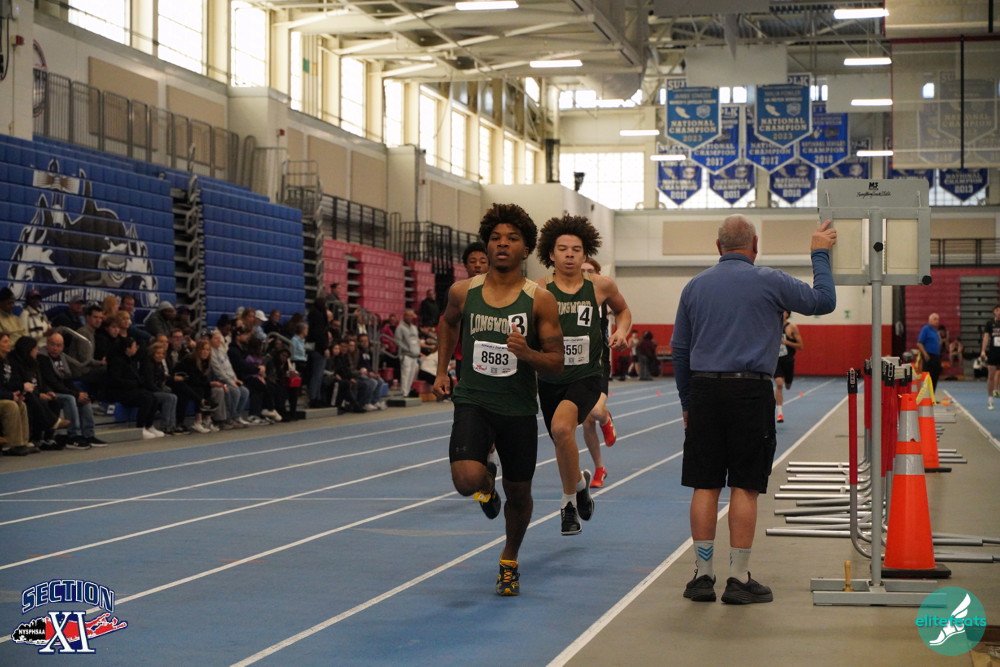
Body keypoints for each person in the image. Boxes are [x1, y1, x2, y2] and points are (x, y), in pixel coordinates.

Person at [671, 214, 836, 605]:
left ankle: (702, 576)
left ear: (718, 246)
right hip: (750, 390)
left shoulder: (695, 286)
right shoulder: (771, 281)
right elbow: (824, 302)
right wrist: (819, 253)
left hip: (705, 390)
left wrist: (687, 402)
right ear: (755, 245)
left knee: (705, 483)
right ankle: (739, 578)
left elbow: (680, 350)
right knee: (745, 484)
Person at [433, 202, 563, 596]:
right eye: (495, 238)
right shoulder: (463, 292)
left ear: (526, 249)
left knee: (520, 494)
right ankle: (486, 483)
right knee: (466, 480)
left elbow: (556, 362)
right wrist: (442, 370)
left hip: (518, 409)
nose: (502, 244)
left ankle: (509, 559)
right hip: (473, 399)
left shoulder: (540, 299)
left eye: (512, 238)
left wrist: (528, 354)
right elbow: (447, 324)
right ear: (486, 246)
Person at [535, 216, 632, 533]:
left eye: (576, 249)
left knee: (562, 429)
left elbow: (623, 310)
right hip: (550, 377)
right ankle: (579, 486)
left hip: (587, 374)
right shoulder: (538, 290)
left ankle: (568, 507)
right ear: (551, 254)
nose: (569, 254)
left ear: (585, 253)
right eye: (562, 249)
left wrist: (621, 331)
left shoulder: (600, 286)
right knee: (562, 441)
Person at [579, 258, 621, 489]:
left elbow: (624, 311)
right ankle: (600, 468)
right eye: (582, 271)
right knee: (586, 423)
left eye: (590, 271)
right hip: (576, 365)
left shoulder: (604, 299)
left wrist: (621, 332)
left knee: (595, 411)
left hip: (599, 362)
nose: (586, 274)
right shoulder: (567, 298)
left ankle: (605, 418)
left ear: (598, 274)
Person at [38, 332, 104, 449]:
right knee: (70, 398)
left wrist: (80, 393)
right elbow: (52, 382)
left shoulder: (62, 357)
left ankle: (89, 435)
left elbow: (68, 380)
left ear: (62, 347)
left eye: (58, 345)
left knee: (84, 398)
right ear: (47, 344)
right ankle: (74, 436)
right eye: (52, 344)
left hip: (62, 389)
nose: (55, 348)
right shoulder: (42, 358)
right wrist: (75, 394)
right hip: (49, 391)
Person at [106, 337, 161, 439]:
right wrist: (133, 383)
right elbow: (114, 380)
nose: (136, 348)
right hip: (119, 392)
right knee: (147, 399)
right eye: (134, 346)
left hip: (130, 389)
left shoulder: (130, 360)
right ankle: (140, 427)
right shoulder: (116, 361)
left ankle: (149, 425)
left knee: (154, 398)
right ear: (127, 348)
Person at [773, 311, 803, 423]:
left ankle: (788, 381)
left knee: (788, 385)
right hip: (776, 360)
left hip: (788, 361)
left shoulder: (792, 327)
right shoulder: (773, 326)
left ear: (787, 314)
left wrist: (786, 342)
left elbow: (801, 346)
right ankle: (780, 413)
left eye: (784, 311)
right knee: (779, 383)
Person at [395, 309, 421, 397]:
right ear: (404, 316)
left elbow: (416, 340)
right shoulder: (400, 327)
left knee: (412, 374)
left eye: (411, 315)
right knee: (405, 374)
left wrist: (418, 351)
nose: (409, 317)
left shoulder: (414, 327)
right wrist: (407, 349)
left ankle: (408, 391)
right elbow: (398, 341)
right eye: (408, 315)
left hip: (415, 354)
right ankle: (404, 392)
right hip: (406, 355)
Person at [980, 304, 1000, 410]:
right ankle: (990, 400)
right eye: (997, 310)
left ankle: (997, 391)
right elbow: (986, 337)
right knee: (991, 375)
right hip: (993, 352)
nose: (999, 312)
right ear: (994, 312)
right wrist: (983, 350)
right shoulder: (989, 323)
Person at [916, 313, 942, 391]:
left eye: (938, 319)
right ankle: (926, 394)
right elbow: (919, 343)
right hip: (929, 356)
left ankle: (932, 394)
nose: (937, 321)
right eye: (935, 319)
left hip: (936, 356)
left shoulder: (936, 331)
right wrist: (925, 354)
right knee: (928, 377)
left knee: (935, 376)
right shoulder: (926, 329)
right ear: (929, 320)